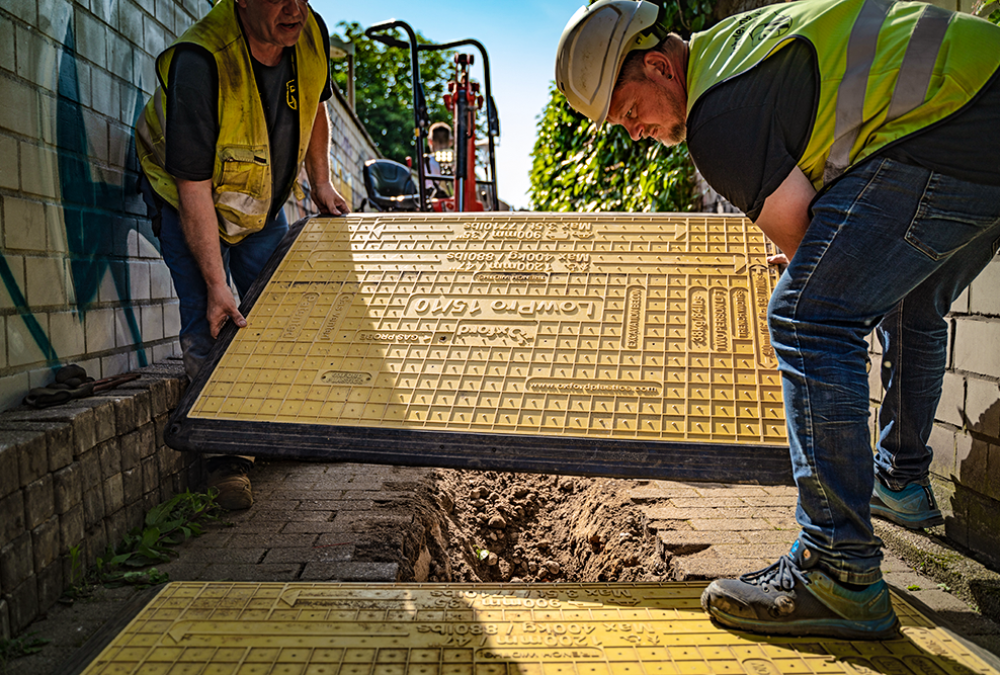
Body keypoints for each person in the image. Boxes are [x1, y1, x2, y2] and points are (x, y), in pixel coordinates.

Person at [555, 0, 1000, 639]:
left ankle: (837, 567)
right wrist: (821, 249)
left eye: (630, 112)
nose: (635, 132)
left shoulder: (719, 118)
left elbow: (805, 250)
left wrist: (812, 260)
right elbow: (825, 227)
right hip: (978, 118)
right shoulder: (734, 48)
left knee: (806, 318)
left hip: (949, 136)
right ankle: (900, 480)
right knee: (909, 305)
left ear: (659, 66)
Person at [135, 0, 350, 509]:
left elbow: (315, 101)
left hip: (257, 200)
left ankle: (272, 429)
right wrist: (216, 283)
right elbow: (193, 186)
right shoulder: (201, 61)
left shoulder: (310, 32)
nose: (294, 9)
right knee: (212, 319)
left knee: (271, 308)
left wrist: (319, 181)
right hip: (186, 195)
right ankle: (225, 458)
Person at [425, 121, 454, 198]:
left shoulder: (427, 161)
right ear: (450, 141)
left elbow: (426, 188)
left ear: (430, 141)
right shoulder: (458, 161)